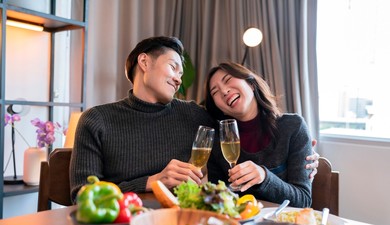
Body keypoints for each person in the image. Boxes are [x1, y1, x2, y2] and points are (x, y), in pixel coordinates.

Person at [69, 36, 318, 203]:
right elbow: (82, 195)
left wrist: (303, 154)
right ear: (144, 62)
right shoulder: (96, 120)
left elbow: (244, 133)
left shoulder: (196, 115)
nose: (179, 78)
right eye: (173, 67)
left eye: (181, 72)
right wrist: (150, 182)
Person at [204, 62, 313, 207]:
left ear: (251, 84)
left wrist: (265, 177)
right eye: (215, 92)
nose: (224, 91)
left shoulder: (293, 126)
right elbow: (217, 201)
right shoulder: (218, 141)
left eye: (228, 80)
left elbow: (303, 200)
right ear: (219, 109)